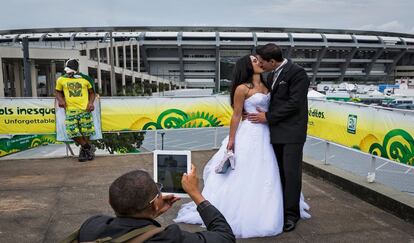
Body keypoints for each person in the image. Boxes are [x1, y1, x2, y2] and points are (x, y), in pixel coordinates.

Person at [174, 55, 310, 238]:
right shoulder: (241, 88)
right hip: (249, 133)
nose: (259, 63)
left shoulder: (268, 82)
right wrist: (231, 140)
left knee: (268, 171)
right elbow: (236, 115)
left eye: (259, 60)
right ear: (247, 66)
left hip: (267, 132)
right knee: (245, 171)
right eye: (255, 61)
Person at [68, 165, 235, 243]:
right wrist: (195, 194)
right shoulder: (167, 238)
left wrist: (151, 212)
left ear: (110, 201)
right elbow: (225, 237)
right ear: (155, 204)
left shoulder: (91, 225)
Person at [247, 43, 310, 232]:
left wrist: (267, 117)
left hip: (292, 133)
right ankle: (280, 209)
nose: (260, 64)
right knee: (279, 173)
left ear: (272, 61)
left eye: (262, 62)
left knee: (291, 175)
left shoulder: (297, 73)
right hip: (275, 132)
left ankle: (291, 215)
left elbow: (294, 103)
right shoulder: (272, 74)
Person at [55, 59, 96, 162]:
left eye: (70, 71)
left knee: (86, 131)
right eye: (67, 71)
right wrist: (60, 100)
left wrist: (90, 103)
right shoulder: (61, 79)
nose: (68, 73)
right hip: (70, 110)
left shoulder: (86, 79)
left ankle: (83, 152)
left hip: (84, 109)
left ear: (76, 70)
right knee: (71, 132)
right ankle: (88, 147)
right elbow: (58, 92)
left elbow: (92, 92)